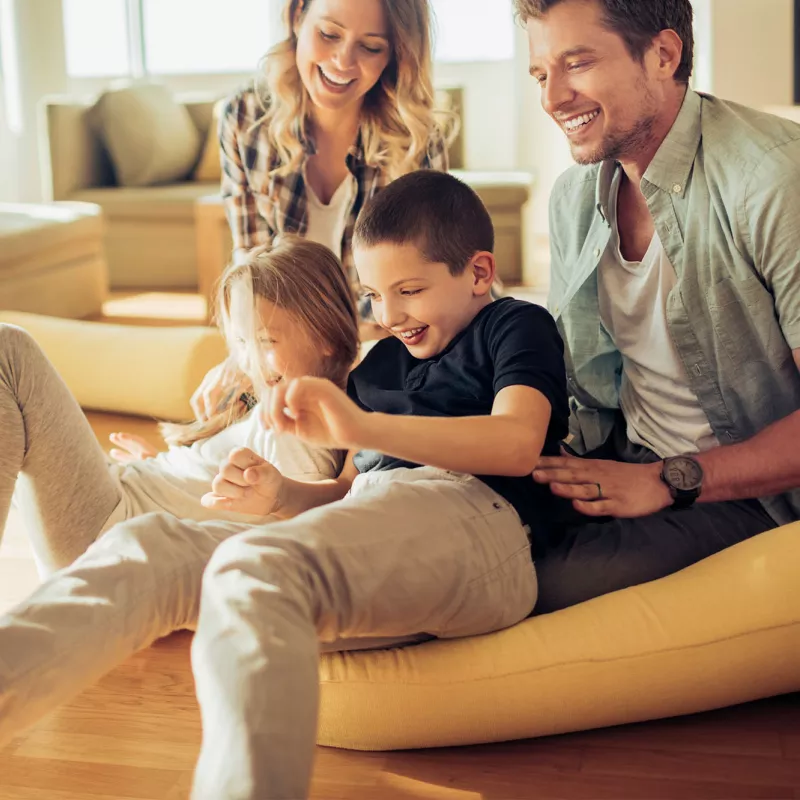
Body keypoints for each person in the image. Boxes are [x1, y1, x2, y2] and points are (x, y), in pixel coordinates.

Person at [0, 171, 569, 799]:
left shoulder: (514, 326)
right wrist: (284, 498)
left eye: (409, 290)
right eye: (375, 295)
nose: (390, 315)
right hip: (383, 516)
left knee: (256, 568)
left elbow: (517, 444)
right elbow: (349, 493)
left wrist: (363, 423)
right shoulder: (380, 368)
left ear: (480, 273)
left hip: (476, 515)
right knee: (156, 544)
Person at [512, 0, 800, 613]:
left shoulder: (775, 180)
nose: (554, 98)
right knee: (456, 532)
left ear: (663, 55)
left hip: (744, 494)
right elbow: (580, 384)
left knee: (525, 586)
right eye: (541, 74)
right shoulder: (575, 197)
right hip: (621, 457)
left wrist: (667, 481)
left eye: (578, 63)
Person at [0, 236, 358, 576]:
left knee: (9, 352)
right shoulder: (286, 411)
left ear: (326, 334)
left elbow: (282, 523)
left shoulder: (299, 428)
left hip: (109, 530)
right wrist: (165, 476)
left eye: (265, 340)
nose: (248, 362)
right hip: (122, 499)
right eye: (241, 343)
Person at [191, 0, 453, 421]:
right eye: (329, 35)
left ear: (394, 55)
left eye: (370, 47)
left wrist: (331, 367)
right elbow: (254, 267)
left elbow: (425, 297)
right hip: (293, 349)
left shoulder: (415, 139)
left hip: (395, 344)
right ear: (297, 16)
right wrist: (246, 356)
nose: (342, 62)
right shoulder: (243, 118)